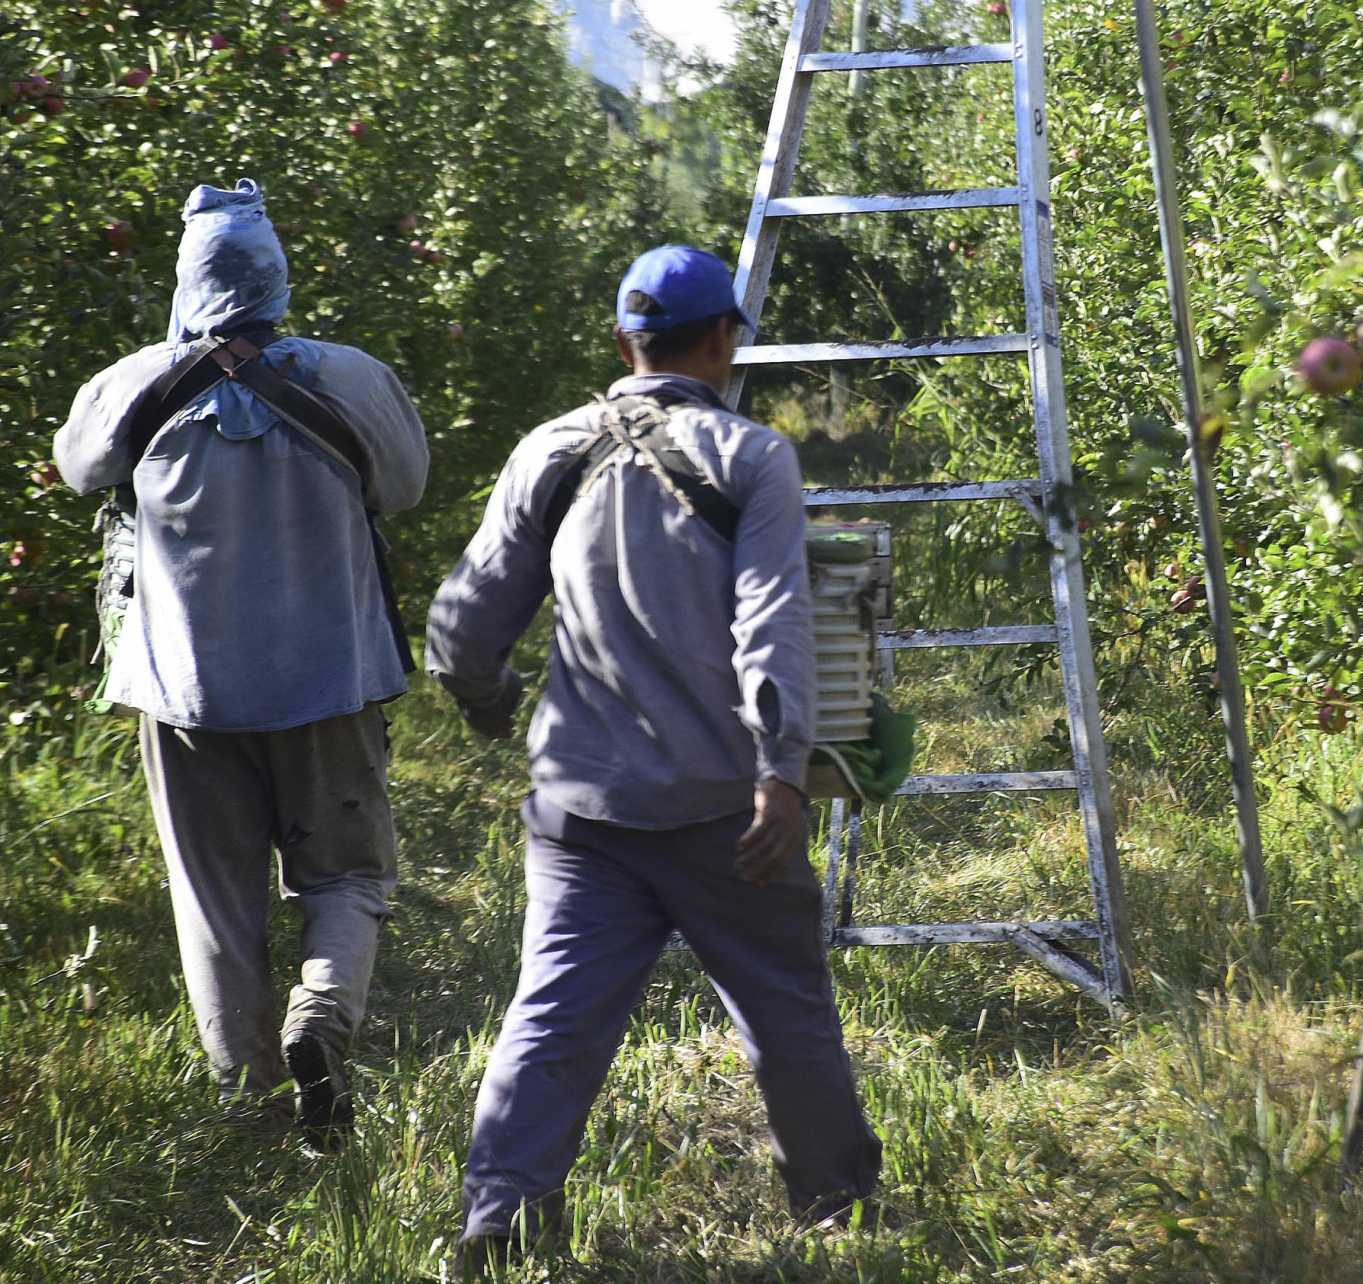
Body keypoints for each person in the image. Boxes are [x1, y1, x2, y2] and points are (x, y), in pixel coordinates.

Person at [426, 244, 881, 1263]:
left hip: (580, 810)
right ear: (723, 340)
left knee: (552, 1012)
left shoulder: (551, 449)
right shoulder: (752, 458)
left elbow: (462, 627)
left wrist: (490, 700)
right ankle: (838, 1202)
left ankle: (499, 1214)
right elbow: (771, 626)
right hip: (722, 808)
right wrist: (780, 770)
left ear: (625, 341)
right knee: (783, 1005)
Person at [54, 179, 429, 1146]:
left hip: (184, 696)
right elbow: (408, 485)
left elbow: (77, 466)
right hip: (331, 681)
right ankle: (325, 1017)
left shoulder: (129, 385)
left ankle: (249, 1106)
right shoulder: (351, 377)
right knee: (346, 876)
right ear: (276, 279)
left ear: (185, 280)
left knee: (215, 902)